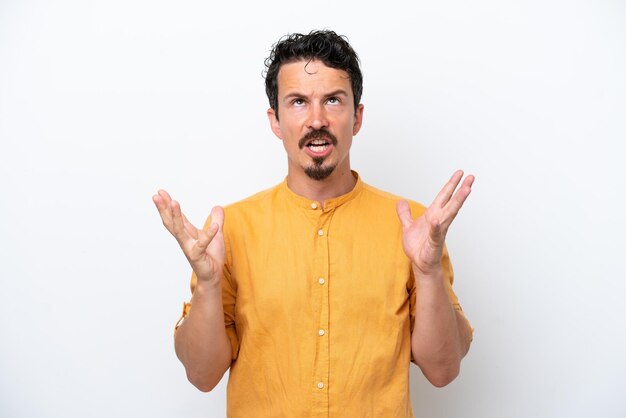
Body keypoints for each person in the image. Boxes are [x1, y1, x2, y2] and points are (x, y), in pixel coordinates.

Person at [153, 30, 474, 417]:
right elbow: (202, 375)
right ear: (276, 120)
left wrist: (426, 274)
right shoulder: (229, 230)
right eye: (298, 102)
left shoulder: (416, 228)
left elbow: (443, 369)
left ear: (356, 117)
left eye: (333, 100)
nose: (316, 120)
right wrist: (207, 286)